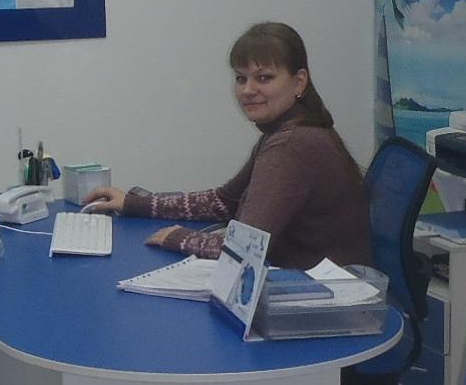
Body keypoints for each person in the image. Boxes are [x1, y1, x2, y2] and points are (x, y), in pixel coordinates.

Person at [85, 22, 372, 269]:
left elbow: (244, 249)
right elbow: (224, 202)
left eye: (264, 78)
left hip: (321, 297)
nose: (248, 90)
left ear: (299, 82)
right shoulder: (289, 131)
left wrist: (179, 238)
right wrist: (133, 203)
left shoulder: (292, 144)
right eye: (240, 78)